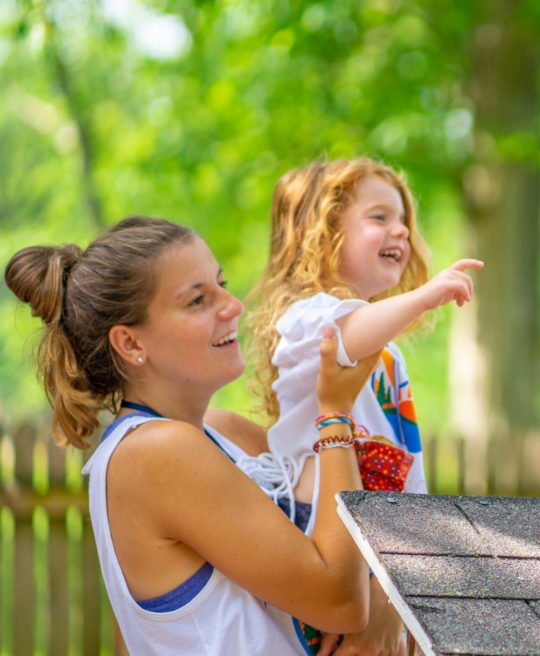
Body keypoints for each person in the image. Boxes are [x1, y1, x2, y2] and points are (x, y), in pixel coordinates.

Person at [5, 216, 378, 656]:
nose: (233, 305)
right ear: (129, 344)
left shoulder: (222, 433)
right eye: (198, 300)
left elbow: (360, 558)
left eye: (221, 284)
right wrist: (335, 413)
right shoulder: (154, 452)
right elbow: (343, 602)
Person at [245, 157, 482, 654]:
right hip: (316, 527)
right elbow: (347, 336)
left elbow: (408, 463)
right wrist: (425, 297)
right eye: (379, 218)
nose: (400, 231)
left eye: (404, 221)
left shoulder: (390, 354)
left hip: (380, 533)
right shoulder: (305, 318)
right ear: (324, 233)